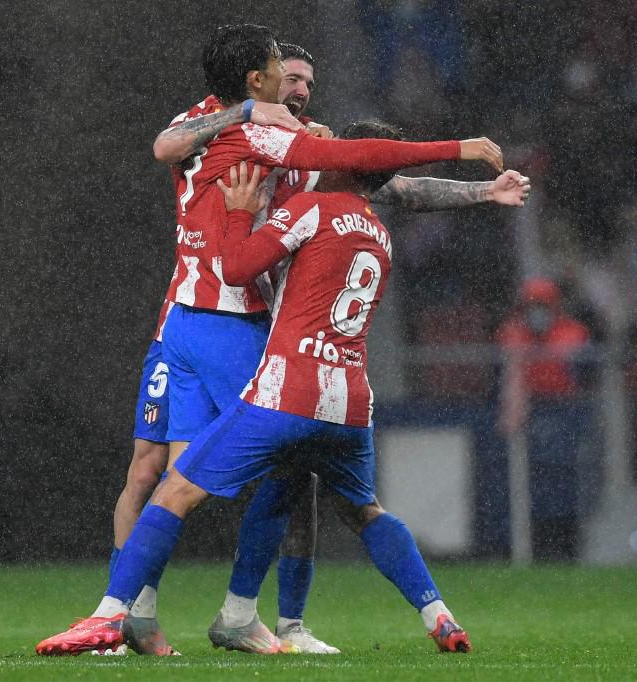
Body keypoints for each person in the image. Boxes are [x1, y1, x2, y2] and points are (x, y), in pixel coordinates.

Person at [94, 25, 511, 657]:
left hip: (251, 322)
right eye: (289, 78)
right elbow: (164, 145)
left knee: (271, 471)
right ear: (258, 80)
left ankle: (265, 618)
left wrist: (481, 188)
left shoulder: (307, 156)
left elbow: (392, 183)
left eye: (310, 85)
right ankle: (132, 617)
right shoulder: (227, 125)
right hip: (184, 314)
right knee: (152, 467)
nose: (300, 91)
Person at [37, 122, 472, 656]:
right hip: (351, 405)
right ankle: (439, 616)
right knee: (364, 510)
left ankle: (109, 616)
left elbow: (238, 268)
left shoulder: (316, 208)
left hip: (287, 395)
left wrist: (243, 211)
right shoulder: (379, 235)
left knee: (174, 491)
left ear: (340, 160)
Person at [497, 278, 591, 559]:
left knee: (565, 480)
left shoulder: (573, 332)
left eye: (542, 305)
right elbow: (509, 377)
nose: (537, 311)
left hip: (564, 409)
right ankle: (534, 547)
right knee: (529, 483)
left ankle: (567, 546)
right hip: (531, 408)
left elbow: (582, 375)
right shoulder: (513, 332)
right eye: (531, 305)